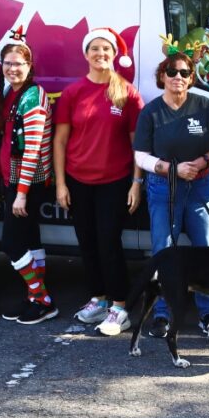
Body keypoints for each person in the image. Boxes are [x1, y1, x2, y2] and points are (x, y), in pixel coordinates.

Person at [133, 47, 209, 338]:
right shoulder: (151, 111)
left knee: (205, 248)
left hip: (199, 186)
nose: (178, 77)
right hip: (163, 187)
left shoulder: (203, 106)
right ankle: (161, 313)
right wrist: (170, 169)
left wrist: (202, 162)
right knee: (164, 250)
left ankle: (205, 313)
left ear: (191, 79)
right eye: (172, 72)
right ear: (162, 76)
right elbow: (140, 156)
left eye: (184, 73)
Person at [54, 27, 143, 336]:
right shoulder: (72, 93)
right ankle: (98, 299)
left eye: (106, 49)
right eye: (94, 49)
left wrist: (136, 183)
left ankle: (120, 308)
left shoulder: (127, 92)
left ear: (114, 53)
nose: (100, 54)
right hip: (78, 181)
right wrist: (61, 184)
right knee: (87, 244)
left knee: (108, 244)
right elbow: (61, 141)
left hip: (115, 181)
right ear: (85, 54)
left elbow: (138, 144)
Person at [0, 29, 56, 325]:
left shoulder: (33, 95)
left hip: (28, 183)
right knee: (30, 237)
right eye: (7, 63)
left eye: (18, 63)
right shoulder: (9, 92)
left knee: (11, 242)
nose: (12, 68)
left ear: (30, 65)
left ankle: (41, 296)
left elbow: (32, 148)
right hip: (14, 181)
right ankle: (34, 297)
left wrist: (20, 192)